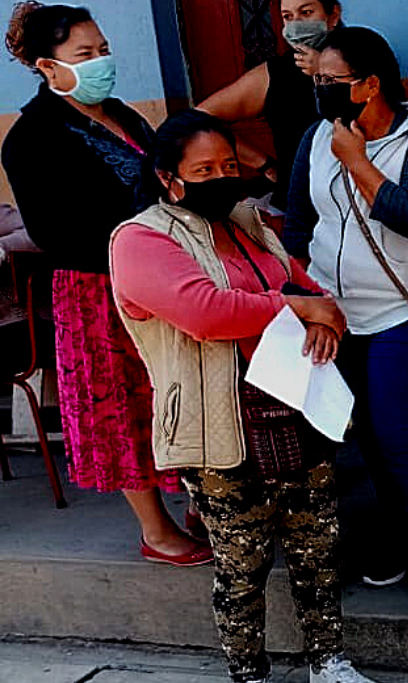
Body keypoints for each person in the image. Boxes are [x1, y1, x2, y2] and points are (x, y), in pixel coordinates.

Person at [109, 109, 377, 683]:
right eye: (203, 169)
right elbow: (204, 312)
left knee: (318, 552)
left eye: (229, 165)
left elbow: (309, 288)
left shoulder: (250, 223)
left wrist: (320, 318)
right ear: (166, 176)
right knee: (242, 566)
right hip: (219, 433)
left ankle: (329, 663)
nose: (221, 177)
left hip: (296, 411)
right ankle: (248, 674)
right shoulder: (140, 240)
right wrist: (297, 306)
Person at [1, 1, 211, 566]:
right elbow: (52, 232)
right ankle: (156, 531)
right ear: (48, 66)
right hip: (100, 290)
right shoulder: (32, 139)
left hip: (164, 277)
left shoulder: (121, 112)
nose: (101, 62)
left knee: (179, 392)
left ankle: (199, 501)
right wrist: (137, 255)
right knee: (120, 406)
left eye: (105, 50)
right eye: (85, 55)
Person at [283, 26, 408, 621]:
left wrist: (358, 162)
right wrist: (306, 297)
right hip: (335, 317)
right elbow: (297, 223)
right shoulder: (316, 137)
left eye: (331, 82)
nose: (319, 92)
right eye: (314, 81)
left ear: (370, 85)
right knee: (364, 433)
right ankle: (405, 542)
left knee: (395, 430)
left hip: (402, 315)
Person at [198, 0, 343, 213]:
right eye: (288, 17)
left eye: (307, 12)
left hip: (356, 202)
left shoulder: (365, 58)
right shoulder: (275, 74)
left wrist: (324, 71)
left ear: (333, 15)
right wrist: (263, 163)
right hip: (297, 207)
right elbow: (199, 118)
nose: (297, 24)